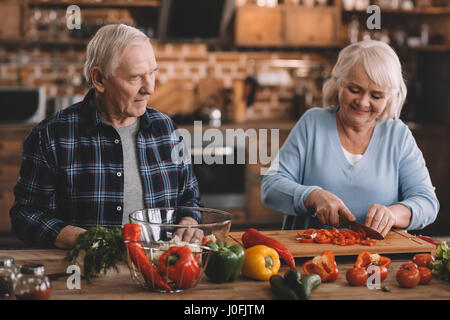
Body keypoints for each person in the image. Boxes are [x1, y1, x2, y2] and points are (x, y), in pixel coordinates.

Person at [10, 24, 202, 249]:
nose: (149, 88)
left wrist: (189, 221)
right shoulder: (51, 136)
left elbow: (189, 198)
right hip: (84, 274)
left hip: (159, 275)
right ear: (99, 79)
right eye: (135, 78)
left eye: (152, 73)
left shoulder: (167, 129)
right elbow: (25, 215)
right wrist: (75, 238)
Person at [261, 40, 439, 237]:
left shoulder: (398, 136)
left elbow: (428, 203)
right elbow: (271, 187)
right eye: (354, 90)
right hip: (309, 259)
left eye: (376, 96)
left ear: (390, 97)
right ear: (339, 83)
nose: (363, 102)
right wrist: (311, 196)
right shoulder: (312, 123)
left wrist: (393, 214)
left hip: (377, 262)